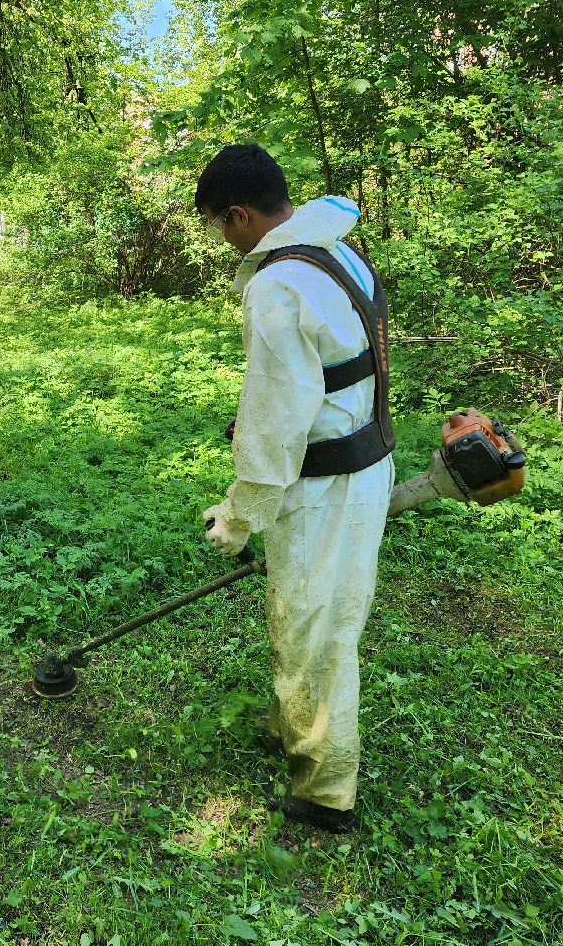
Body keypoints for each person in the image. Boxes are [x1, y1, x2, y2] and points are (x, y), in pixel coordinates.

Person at [196, 144, 394, 833]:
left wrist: (241, 514)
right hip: (366, 467)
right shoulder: (340, 252)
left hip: (326, 486)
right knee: (323, 616)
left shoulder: (280, 284)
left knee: (316, 631)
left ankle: (323, 792)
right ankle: (295, 725)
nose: (225, 240)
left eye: (222, 226)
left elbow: (274, 418)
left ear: (241, 215)